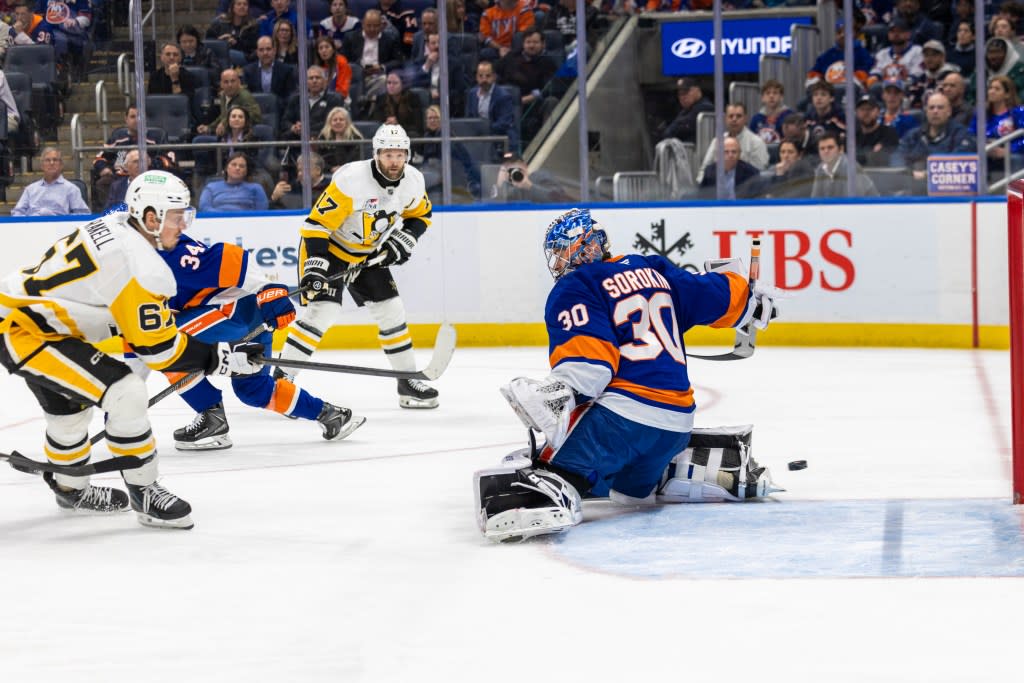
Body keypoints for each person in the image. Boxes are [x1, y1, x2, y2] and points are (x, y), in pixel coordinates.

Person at [473, 208, 781, 542]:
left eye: (562, 251)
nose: (558, 263)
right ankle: (675, 468)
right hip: (677, 425)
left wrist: (555, 395)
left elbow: (590, 368)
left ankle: (552, 487)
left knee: (550, 470)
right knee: (627, 494)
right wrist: (749, 299)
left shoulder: (578, 285)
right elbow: (712, 292)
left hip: (623, 421)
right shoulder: (651, 268)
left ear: (585, 246)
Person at [0, 171, 264, 528]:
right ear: (151, 217)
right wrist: (217, 357)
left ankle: (70, 487)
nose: (182, 227)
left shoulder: (115, 224)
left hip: (30, 323)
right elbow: (158, 349)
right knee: (126, 391)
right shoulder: (139, 264)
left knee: (70, 415)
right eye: (176, 217)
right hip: (29, 333)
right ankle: (144, 490)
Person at [274, 124, 439, 409]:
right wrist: (316, 267)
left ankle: (406, 381)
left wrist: (404, 239)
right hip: (331, 249)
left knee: (391, 310)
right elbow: (316, 227)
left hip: (368, 255)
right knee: (322, 312)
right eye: (388, 154)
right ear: (376, 154)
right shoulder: (352, 179)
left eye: (399, 154)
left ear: (407, 155)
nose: (394, 161)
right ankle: (280, 381)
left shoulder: (413, 180)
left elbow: (421, 215)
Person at [154, 230, 364, 450]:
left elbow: (232, 258)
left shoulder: (162, 249)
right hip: (248, 314)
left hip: (232, 311)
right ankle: (331, 416)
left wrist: (266, 288)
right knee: (254, 390)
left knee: (162, 344)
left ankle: (212, 416)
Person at [892, 92, 976, 188]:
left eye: (940, 108)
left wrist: (928, 173)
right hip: (914, 186)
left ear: (949, 112)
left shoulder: (961, 134)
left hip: (948, 190)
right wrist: (910, 172)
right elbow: (897, 157)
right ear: (926, 112)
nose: (935, 111)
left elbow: (959, 162)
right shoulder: (913, 135)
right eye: (931, 108)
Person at [697, 103, 769, 183]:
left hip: (745, 189)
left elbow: (759, 174)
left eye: (738, 116)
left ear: (745, 118)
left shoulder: (757, 142)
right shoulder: (717, 141)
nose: (734, 119)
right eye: (730, 116)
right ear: (725, 119)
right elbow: (704, 170)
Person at [969, 75, 1024, 176]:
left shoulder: (1018, 112)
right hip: (987, 153)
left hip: (1012, 154)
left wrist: (1008, 150)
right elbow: (971, 135)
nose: (992, 91)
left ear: (1007, 94)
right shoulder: (981, 113)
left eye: (997, 89)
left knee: (1016, 159)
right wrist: (983, 147)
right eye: (990, 88)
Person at [12, 147, 90, 216]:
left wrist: (62, 219)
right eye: (47, 160)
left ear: (61, 165)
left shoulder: (71, 189)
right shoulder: (30, 189)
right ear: (42, 166)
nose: (51, 163)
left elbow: (83, 215)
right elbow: (17, 212)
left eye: (55, 160)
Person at [811, 132, 879, 198]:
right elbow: (815, 200)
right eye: (822, 149)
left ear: (841, 149)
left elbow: (852, 203)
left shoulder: (850, 168)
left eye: (830, 147)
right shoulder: (820, 169)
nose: (826, 151)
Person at [698, 136, 764, 199]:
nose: (730, 155)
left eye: (734, 152)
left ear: (739, 154)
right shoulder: (710, 171)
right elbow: (702, 196)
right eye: (726, 152)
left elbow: (757, 198)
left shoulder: (751, 173)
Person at [242, 35, 298, 109]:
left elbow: (290, 97)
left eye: (268, 49)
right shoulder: (248, 71)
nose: (265, 53)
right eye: (261, 50)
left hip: (280, 112)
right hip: (255, 111)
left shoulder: (286, 70)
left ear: (274, 51)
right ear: (257, 52)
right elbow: (246, 97)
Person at [490, 151, 567, 203]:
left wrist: (529, 186)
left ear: (524, 166)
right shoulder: (505, 189)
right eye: (505, 168)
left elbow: (559, 198)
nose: (509, 170)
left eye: (512, 165)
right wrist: (500, 184)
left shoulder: (539, 177)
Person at [367, 71, 424, 137]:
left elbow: (418, 126)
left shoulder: (412, 98)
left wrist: (398, 124)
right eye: (389, 83)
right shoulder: (381, 99)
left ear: (403, 84)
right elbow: (376, 121)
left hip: (405, 135)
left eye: (395, 83)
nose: (391, 86)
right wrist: (386, 124)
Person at [854, 94, 900, 166]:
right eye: (862, 109)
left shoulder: (889, 133)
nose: (866, 113)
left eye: (870, 109)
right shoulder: (852, 136)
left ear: (878, 112)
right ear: (856, 112)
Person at [316, 105, 364, 171]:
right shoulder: (323, 137)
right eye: (335, 120)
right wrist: (331, 168)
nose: (338, 122)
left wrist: (342, 168)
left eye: (341, 120)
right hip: (329, 172)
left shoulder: (355, 137)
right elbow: (319, 159)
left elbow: (356, 160)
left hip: (350, 172)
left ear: (347, 122)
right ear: (330, 123)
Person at [748, 79, 793, 145]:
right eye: (768, 93)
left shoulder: (789, 115)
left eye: (775, 93)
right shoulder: (756, 118)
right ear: (762, 98)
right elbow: (751, 141)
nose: (771, 96)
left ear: (781, 97)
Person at [312, 35, 352, 100]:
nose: (324, 50)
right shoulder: (317, 67)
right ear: (318, 52)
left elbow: (342, 90)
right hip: (320, 100)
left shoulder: (341, 62)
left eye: (327, 47)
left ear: (333, 49)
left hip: (339, 99)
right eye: (320, 48)